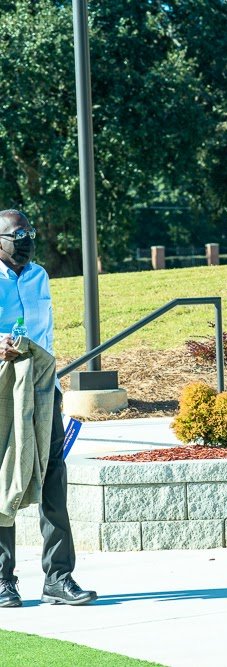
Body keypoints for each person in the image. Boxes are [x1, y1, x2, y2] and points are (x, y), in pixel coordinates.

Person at [0, 210, 97, 608]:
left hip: (42, 390)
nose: (25, 239)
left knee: (53, 477)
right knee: (3, 476)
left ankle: (58, 577)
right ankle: (2, 580)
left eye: (30, 232)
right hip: (3, 390)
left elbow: (46, 333)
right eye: (17, 233)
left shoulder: (40, 275)